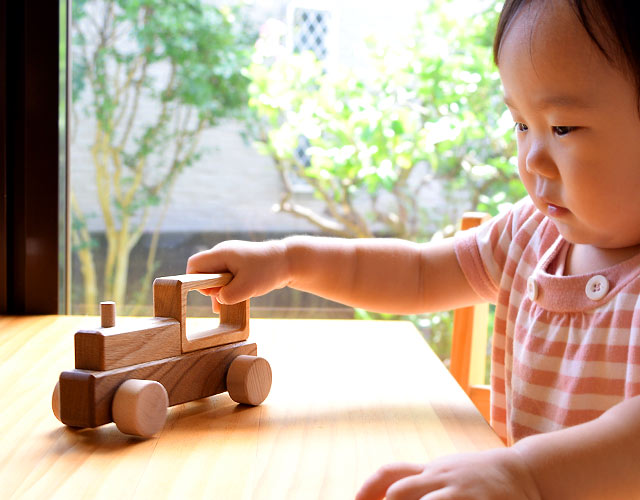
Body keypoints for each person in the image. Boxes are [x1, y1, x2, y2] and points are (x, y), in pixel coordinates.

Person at [187, 0, 640, 497]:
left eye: (561, 127)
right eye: (520, 124)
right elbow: (421, 273)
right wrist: (291, 260)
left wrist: (526, 476)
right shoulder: (529, 235)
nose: (533, 159)